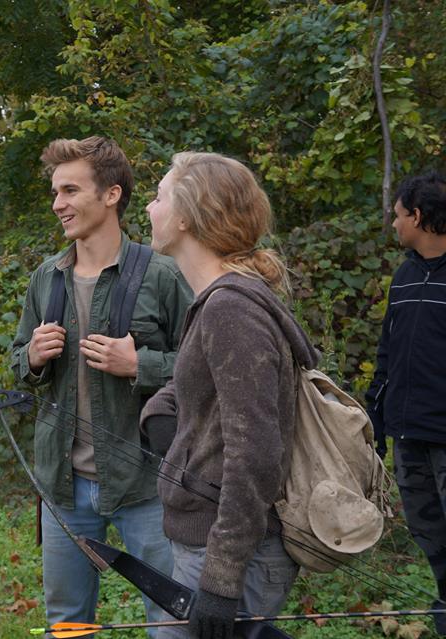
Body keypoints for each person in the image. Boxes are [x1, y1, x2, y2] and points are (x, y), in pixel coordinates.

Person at [10, 136, 192, 629]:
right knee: (67, 621)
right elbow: (16, 366)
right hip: (63, 486)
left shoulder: (163, 275)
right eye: (55, 192)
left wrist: (142, 366)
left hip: (147, 483)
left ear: (111, 195)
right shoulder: (45, 279)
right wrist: (31, 357)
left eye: (70, 191)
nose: (58, 204)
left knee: (171, 618)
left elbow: (206, 368)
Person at [140, 152, 318, 639]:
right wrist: (163, 411)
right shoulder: (220, 300)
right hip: (213, 543)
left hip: (234, 554)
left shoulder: (231, 310)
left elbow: (256, 453)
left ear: (186, 216)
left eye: (159, 197)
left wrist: (220, 580)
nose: (149, 210)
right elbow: (200, 382)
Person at [366, 171, 446, 632]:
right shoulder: (406, 275)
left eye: (398, 216)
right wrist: (374, 415)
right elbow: (387, 351)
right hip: (408, 433)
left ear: (418, 216)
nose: (394, 225)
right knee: (428, 530)